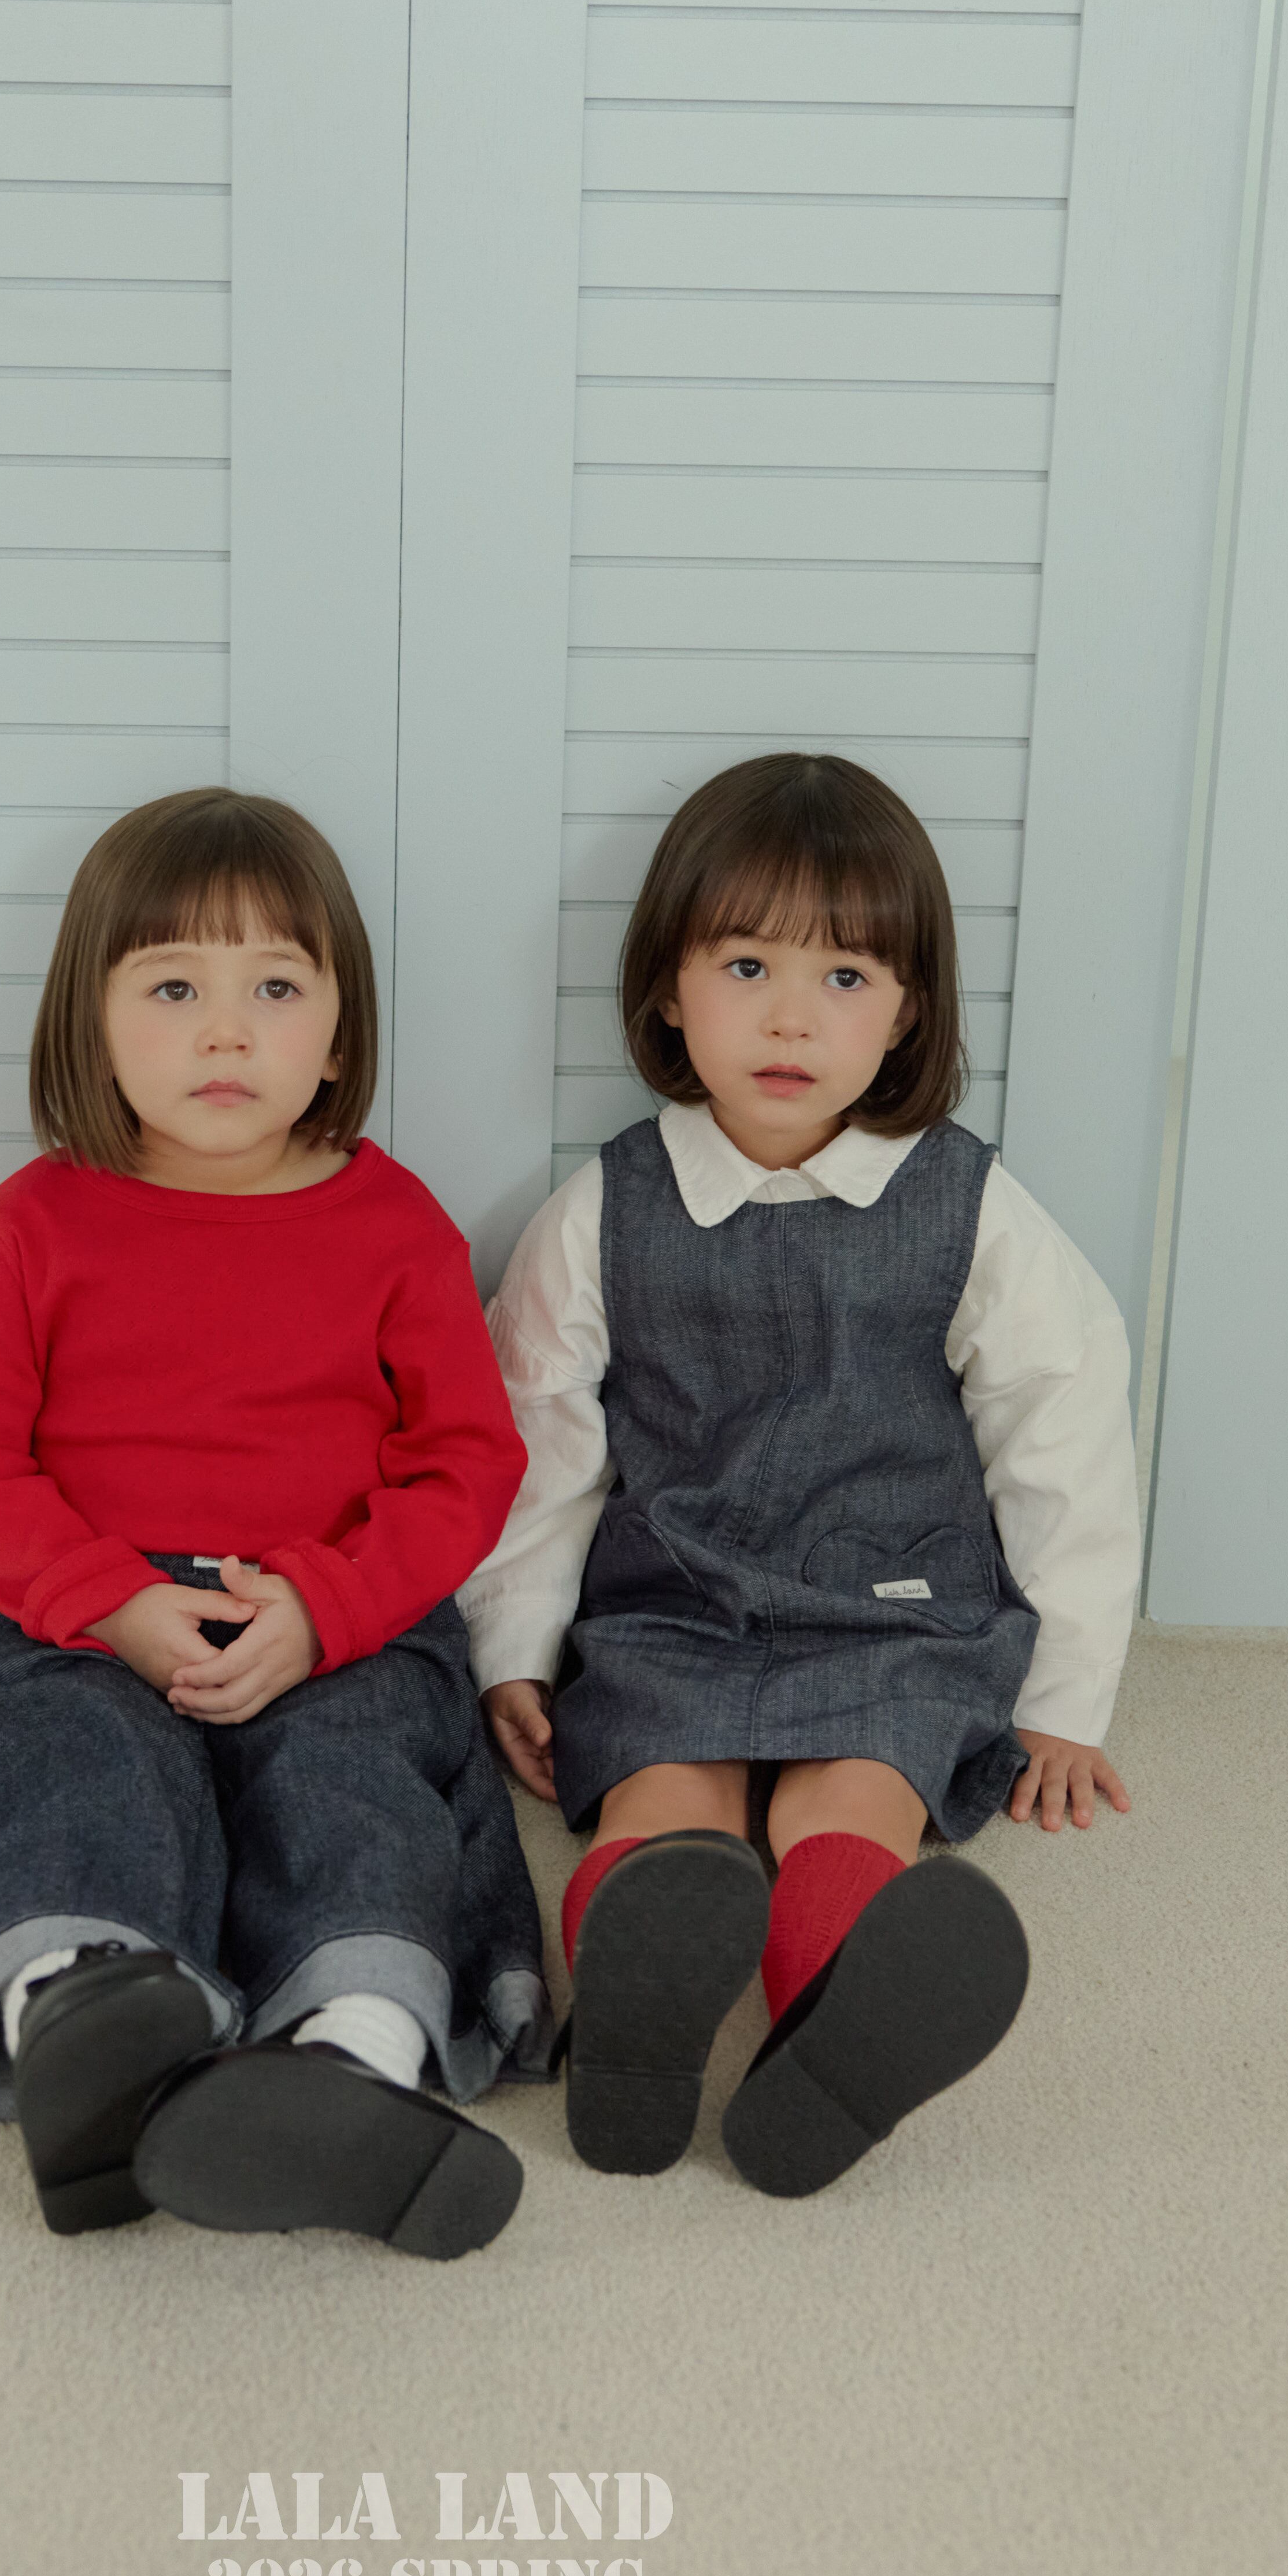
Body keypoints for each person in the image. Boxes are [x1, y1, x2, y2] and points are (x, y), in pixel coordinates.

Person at [0, 790, 549, 2261]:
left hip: (328, 1602)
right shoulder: (34, 1225)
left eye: (273, 989)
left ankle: (348, 2066)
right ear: (91, 1024)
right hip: (82, 1606)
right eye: (172, 989)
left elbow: (464, 1463)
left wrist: (327, 1610)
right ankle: (87, 2032)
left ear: (339, 1033)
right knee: (70, 1771)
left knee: (357, 1785)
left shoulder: (397, 1229)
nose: (225, 1034)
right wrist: (108, 1603)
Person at [464, 752, 1138, 2197]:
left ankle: (829, 2028)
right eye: (746, 967)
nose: (789, 1016)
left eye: (843, 977)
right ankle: (638, 2005)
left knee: (855, 1795)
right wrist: (511, 1645)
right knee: (663, 1803)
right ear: (668, 989)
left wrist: (1063, 1696)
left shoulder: (966, 1206)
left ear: (906, 1012)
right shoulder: (603, 1209)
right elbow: (535, 1442)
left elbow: (1061, 1431)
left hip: (892, 1607)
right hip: (673, 1604)